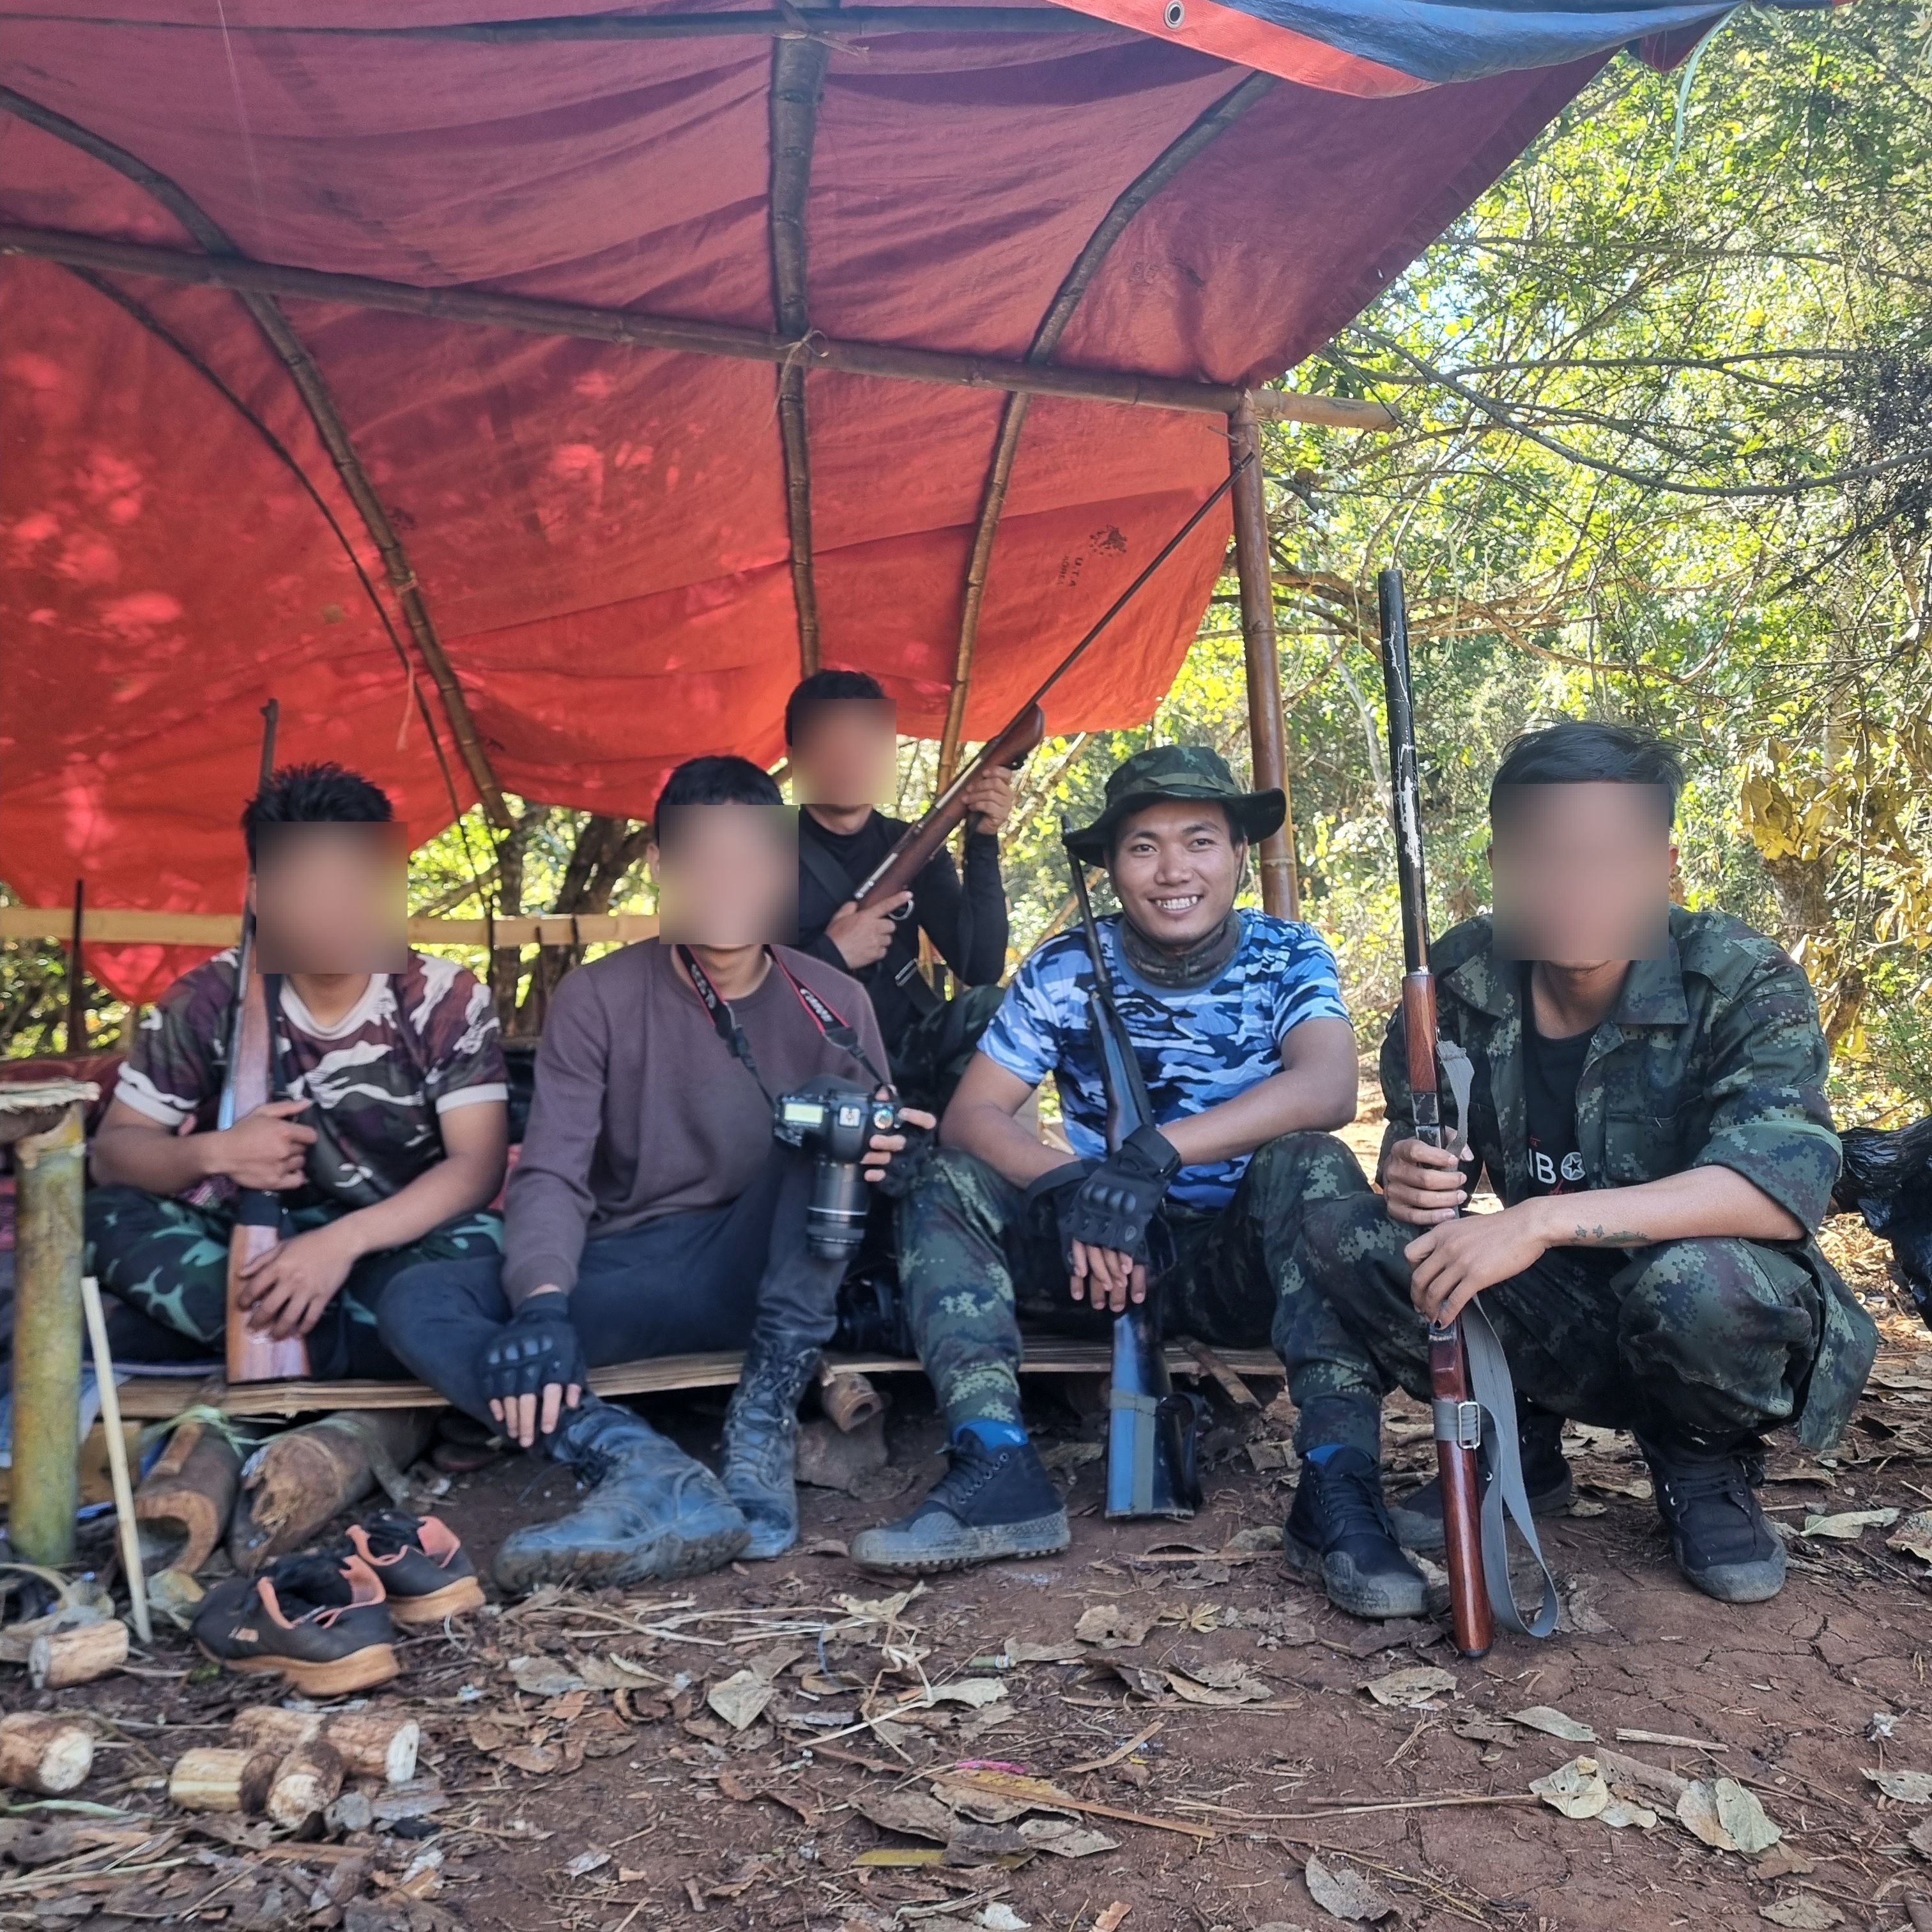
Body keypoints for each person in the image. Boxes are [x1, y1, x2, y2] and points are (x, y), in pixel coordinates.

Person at [1275, 721, 1877, 1618]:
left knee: (1696, 1286)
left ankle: (1702, 1456)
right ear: (1501, 867)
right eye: (1545, 857)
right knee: (1333, 1223)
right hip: (1546, 1304)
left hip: (1698, 1301)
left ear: (1664, 865)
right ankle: (1519, 1440)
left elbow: (1778, 1190)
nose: (1576, 887)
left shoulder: (1742, 979)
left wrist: (1543, 1218)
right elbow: (1437, 1161)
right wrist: (1415, 1174)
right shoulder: (1454, 980)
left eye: (1609, 859)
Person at [378, 756, 931, 1591]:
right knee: (417, 1298)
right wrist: (541, 1307)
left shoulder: (832, 1000)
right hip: (642, 1274)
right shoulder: (598, 997)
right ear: (659, 866)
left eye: (751, 857)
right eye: (701, 858)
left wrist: (891, 1149)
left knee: (834, 1116)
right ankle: (629, 1460)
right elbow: (555, 1172)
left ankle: (764, 1415)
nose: (727, 881)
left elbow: (873, 1177)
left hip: (780, 1280)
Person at [850, 745, 1360, 1572]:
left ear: (1238, 853)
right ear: (1113, 867)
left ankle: (1343, 1483)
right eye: (1143, 846)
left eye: (1199, 841)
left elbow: (1329, 1086)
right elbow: (974, 1116)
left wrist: (1153, 1154)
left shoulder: (1286, 954)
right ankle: (995, 1460)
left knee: (1315, 1166)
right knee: (944, 1178)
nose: (1172, 871)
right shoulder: (1062, 968)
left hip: (1245, 1268)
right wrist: (1075, 1186)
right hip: (1097, 1263)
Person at [86, 763, 509, 1378]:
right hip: (251, 1247)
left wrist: (339, 1245)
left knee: (495, 1247)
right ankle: (365, 1345)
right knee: (102, 1217)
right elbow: (114, 1155)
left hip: (397, 1239)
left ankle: (256, 1336)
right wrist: (217, 1153)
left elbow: (478, 1166)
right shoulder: (208, 998)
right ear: (262, 895)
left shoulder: (445, 997)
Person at [788, 670, 1013, 1103]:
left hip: (905, 1064)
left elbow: (981, 968)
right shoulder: (756, 848)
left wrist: (982, 841)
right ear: (796, 756)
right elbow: (723, 998)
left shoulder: (913, 844)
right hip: (798, 1062)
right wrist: (831, 956)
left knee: (993, 1007)